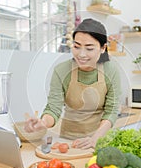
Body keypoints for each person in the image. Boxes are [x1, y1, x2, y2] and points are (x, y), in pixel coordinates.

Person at [24, 18, 121, 149]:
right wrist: (43, 122)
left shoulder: (110, 70)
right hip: (68, 141)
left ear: (103, 48)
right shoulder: (62, 70)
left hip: (100, 141)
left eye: (89, 48)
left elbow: (111, 110)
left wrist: (95, 139)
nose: (81, 54)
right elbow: (54, 107)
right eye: (76, 46)